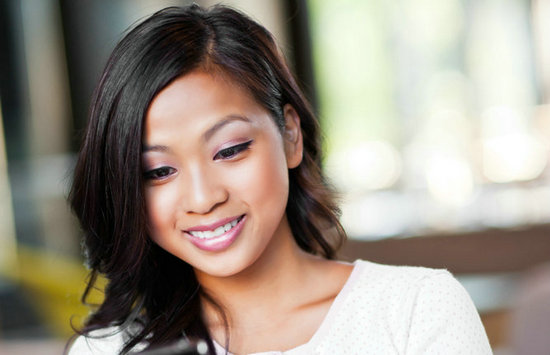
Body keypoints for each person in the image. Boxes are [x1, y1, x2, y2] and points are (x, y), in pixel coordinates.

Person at [67, 4, 491, 355]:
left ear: (291, 135)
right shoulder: (107, 350)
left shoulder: (416, 310)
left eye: (230, 150)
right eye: (158, 172)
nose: (202, 198)